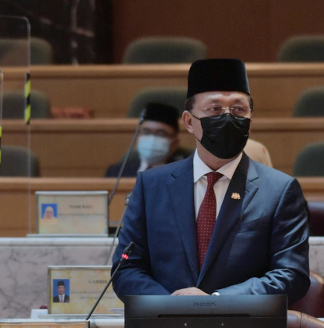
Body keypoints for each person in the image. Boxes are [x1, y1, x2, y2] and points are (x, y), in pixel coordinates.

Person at [111, 59, 310, 302]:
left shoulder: (279, 190)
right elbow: (126, 269)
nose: (227, 118)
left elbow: (292, 275)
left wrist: (214, 300)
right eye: (214, 109)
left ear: (250, 118)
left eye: (238, 110)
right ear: (188, 122)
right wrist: (170, 305)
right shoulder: (151, 186)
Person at [104, 102, 189, 177]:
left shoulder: (184, 174)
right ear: (138, 137)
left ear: (175, 144)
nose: (152, 139)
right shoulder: (116, 173)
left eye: (160, 133)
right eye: (146, 132)